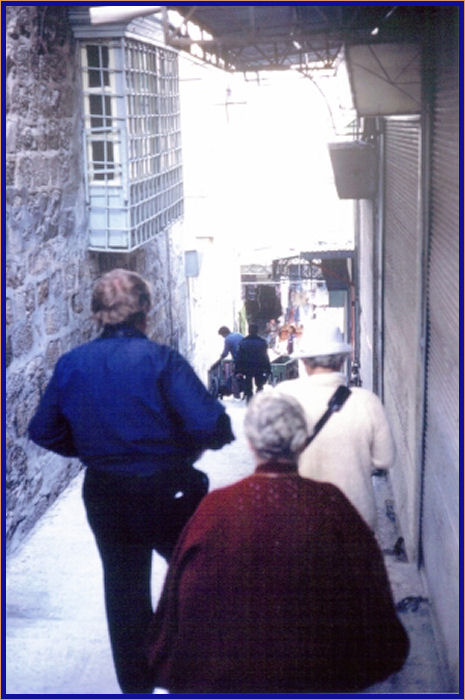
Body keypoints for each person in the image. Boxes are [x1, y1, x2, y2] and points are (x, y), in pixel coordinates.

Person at [28, 268, 234, 694]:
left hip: (105, 492)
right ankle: (192, 671)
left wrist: (91, 449)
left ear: (97, 315)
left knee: (123, 588)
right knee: (196, 575)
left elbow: (43, 430)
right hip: (167, 488)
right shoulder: (161, 360)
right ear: (144, 311)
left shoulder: (72, 364)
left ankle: (137, 688)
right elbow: (212, 425)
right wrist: (180, 448)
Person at [146, 392, 409, 693]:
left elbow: (181, 597)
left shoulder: (215, 508)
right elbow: (370, 588)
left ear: (251, 443)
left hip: (232, 681)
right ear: (300, 442)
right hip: (319, 678)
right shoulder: (333, 504)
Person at [275, 322, 394, 531]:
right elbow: (384, 459)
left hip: (299, 518)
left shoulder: (282, 396)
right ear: (342, 360)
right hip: (354, 518)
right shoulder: (367, 401)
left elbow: (269, 456)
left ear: (304, 361)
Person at [235, 323, 271, 402]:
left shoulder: (243, 342)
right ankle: (259, 398)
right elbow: (265, 356)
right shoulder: (262, 342)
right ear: (257, 331)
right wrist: (268, 368)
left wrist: (238, 370)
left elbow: (239, 357)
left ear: (249, 331)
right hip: (259, 366)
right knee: (259, 384)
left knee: (248, 383)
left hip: (247, 366)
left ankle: (249, 398)